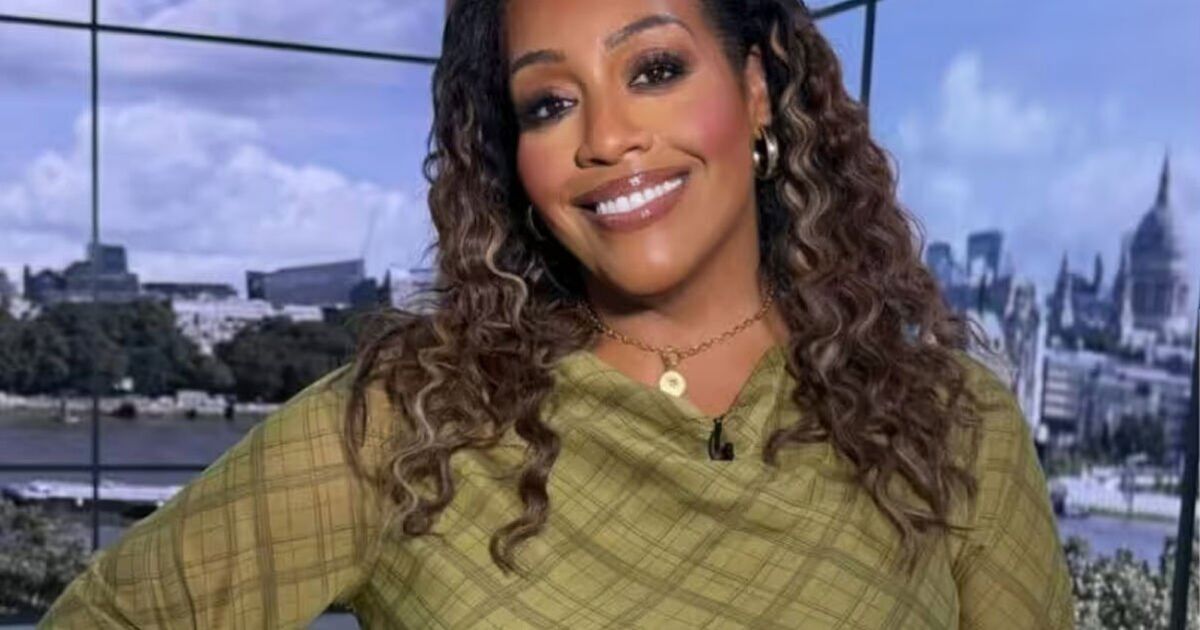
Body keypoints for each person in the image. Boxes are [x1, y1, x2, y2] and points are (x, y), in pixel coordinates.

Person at [39, 0, 1076, 628]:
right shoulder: (416, 420)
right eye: (551, 102)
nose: (608, 138)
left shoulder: (951, 426)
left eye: (655, 70)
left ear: (756, 90)